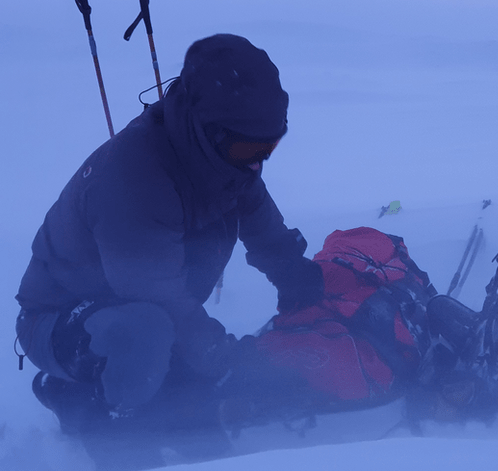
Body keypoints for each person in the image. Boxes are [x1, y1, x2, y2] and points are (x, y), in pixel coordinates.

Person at [14, 34, 324, 465]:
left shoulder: (227, 162)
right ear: (205, 127)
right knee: (144, 335)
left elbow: (262, 224)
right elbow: (153, 294)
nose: (256, 163)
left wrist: (292, 272)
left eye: (267, 148)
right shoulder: (133, 177)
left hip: (147, 311)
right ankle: (106, 426)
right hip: (61, 318)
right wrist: (222, 354)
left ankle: (93, 389)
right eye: (247, 148)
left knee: (200, 428)